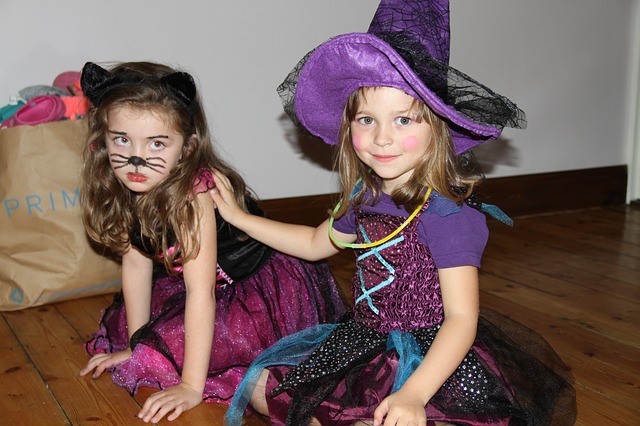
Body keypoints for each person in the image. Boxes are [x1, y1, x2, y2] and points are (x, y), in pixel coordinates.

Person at [214, 1, 577, 425]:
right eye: (367, 119)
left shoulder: (446, 215)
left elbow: (461, 320)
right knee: (261, 382)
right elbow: (314, 244)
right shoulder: (363, 197)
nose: (382, 138)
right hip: (362, 339)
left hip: (433, 355)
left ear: (437, 128)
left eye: (404, 120)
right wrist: (238, 217)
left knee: (403, 414)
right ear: (348, 128)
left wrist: (414, 393)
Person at [77, 61, 346, 423]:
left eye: (157, 143)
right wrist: (135, 346)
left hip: (254, 287)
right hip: (201, 283)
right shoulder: (126, 181)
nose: (135, 158)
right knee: (158, 344)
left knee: (222, 359)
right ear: (103, 137)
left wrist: (190, 386)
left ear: (187, 148)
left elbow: (200, 293)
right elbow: (138, 262)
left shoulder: (194, 196)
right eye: (122, 139)